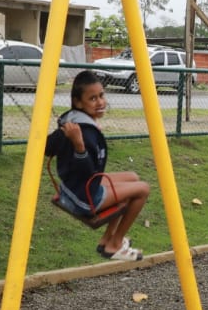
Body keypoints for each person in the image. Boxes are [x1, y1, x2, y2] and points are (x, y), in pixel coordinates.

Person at [46, 70, 151, 262]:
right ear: (78, 102)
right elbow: (88, 171)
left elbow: (48, 149)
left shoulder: (72, 119)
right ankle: (115, 244)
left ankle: (106, 240)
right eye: (92, 99)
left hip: (73, 187)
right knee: (143, 189)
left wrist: (65, 133)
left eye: (101, 95)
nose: (100, 102)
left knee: (133, 177)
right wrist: (79, 146)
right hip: (84, 198)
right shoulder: (83, 133)